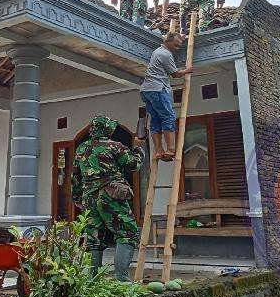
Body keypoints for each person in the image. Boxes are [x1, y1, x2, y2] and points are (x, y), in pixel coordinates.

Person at [71, 115, 145, 281]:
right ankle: (122, 281)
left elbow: (75, 176)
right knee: (127, 233)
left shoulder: (81, 148)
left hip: (89, 197)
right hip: (111, 195)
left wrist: (77, 197)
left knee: (93, 238)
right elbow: (134, 165)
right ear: (107, 129)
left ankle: (92, 281)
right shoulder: (115, 146)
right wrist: (139, 150)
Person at [140, 32, 193, 160]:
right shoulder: (166, 54)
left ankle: (159, 151)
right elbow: (175, 74)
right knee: (168, 117)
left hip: (146, 90)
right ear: (167, 42)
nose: (177, 48)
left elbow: (174, 38)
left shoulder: (157, 51)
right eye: (175, 45)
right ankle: (170, 149)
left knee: (156, 119)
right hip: (158, 89)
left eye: (179, 45)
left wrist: (180, 37)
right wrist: (187, 70)